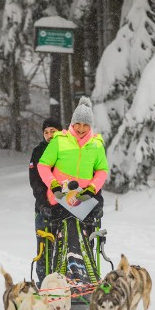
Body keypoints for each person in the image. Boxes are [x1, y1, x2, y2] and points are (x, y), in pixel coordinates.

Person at [37, 96, 108, 228]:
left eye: (86, 125)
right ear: (72, 123)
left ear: (90, 126)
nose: (81, 128)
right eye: (78, 124)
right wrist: (53, 185)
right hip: (59, 197)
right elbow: (43, 165)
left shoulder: (96, 145)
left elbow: (102, 170)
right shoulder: (59, 140)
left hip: (84, 200)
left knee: (84, 238)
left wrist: (92, 189)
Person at [29, 117, 63, 286]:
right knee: (44, 250)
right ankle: (44, 285)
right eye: (46, 132)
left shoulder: (67, 149)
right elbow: (35, 182)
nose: (49, 135)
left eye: (53, 131)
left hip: (64, 207)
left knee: (63, 248)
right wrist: (43, 204)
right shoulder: (38, 151)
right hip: (43, 208)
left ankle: (63, 285)